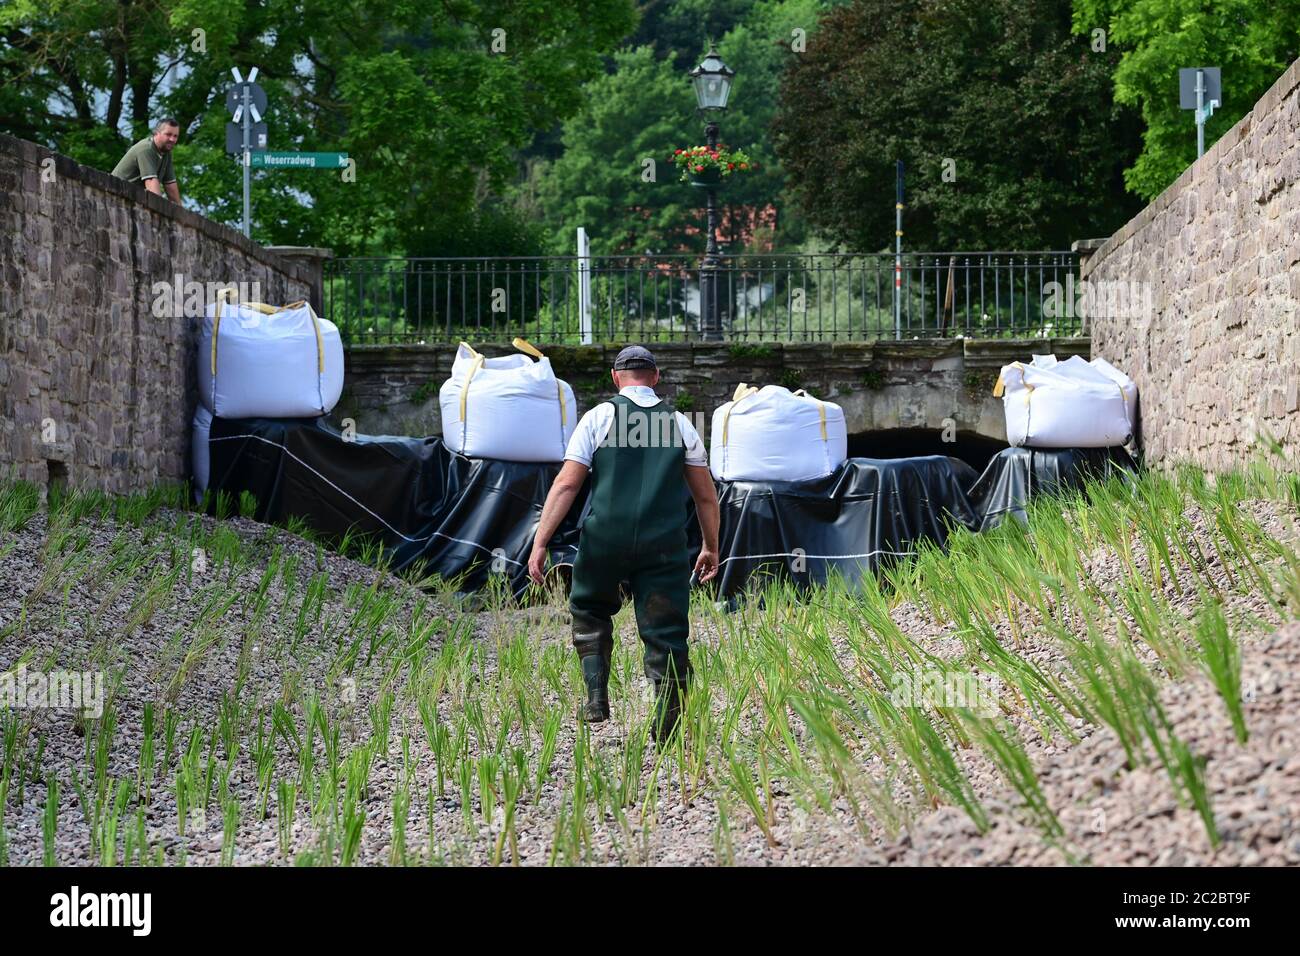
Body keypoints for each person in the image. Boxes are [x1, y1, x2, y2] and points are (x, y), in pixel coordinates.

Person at [528, 345, 720, 743]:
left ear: (616, 378)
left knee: (589, 608)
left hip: (604, 539)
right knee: (666, 628)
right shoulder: (681, 424)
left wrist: (541, 542)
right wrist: (710, 546)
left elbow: (567, 483)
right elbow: (705, 496)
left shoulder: (598, 417)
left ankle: (596, 699)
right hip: (664, 543)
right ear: (656, 377)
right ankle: (667, 721)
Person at [111, 118, 181, 202]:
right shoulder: (146, 149)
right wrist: (160, 212)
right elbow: (151, 184)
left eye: (175, 136)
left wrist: (182, 213)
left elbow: (170, 185)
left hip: (132, 199)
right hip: (115, 197)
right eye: (168, 134)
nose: (172, 139)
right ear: (156, 133)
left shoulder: (166, 153)